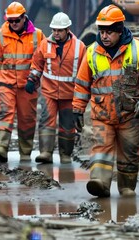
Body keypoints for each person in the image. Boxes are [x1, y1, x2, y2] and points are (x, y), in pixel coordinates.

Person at [72, 4, 139, 197]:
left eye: (109, 32)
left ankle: (126, 187)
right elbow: (82, 83)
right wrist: (77, 109)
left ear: (119, 30)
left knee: (130, 152)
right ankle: (100, 182)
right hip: (102, 114)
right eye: (102, 31)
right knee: (101, 148)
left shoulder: (137, 50)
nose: (104, 36)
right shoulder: (92, 52)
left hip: (129, 113)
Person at [0, 1, 45, 162]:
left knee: (27, 118)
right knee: (4, 113)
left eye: (16, 20)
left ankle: (25, 152)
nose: (13, 24)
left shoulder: (38, 35)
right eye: (10, 21)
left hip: (28, 85)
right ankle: (1, 147)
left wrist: (35, 78)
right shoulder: (1, 35)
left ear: (24, 18)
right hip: (6, 82)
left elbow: (42, 59)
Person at [28, 12, 86, 164]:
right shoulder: (45, 44)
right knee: (46, 121)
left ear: (68, 30)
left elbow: (85, 72)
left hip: (70, 94)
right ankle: (45, 153)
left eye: (59, 30)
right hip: (49, 92)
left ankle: (65, 155)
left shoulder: (80, 47)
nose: (56, 33)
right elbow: (37, 64)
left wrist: (84, 95)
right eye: (54, 30)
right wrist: (31, 79)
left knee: (68, 126)